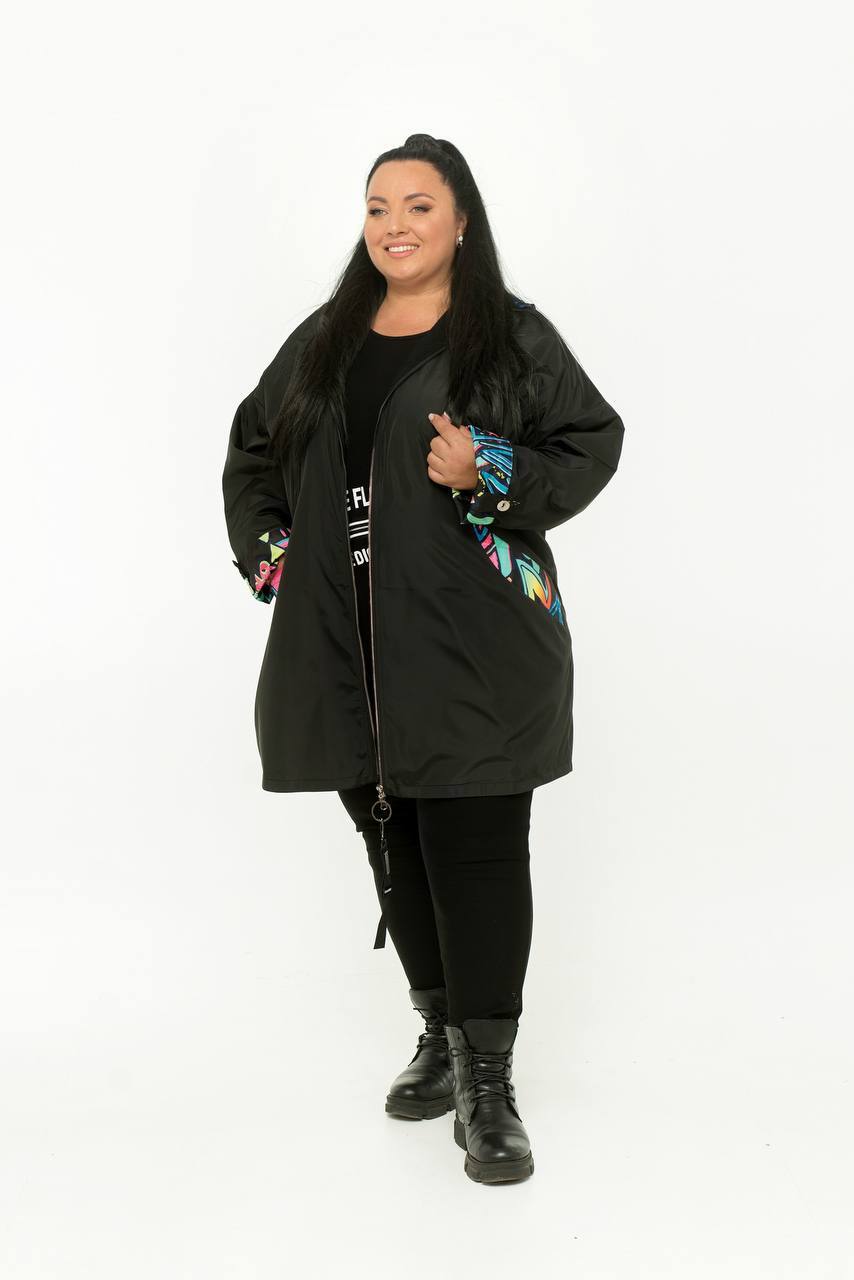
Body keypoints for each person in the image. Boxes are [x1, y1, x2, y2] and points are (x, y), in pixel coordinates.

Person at [221, 133, 625, 1185]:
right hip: (344, 648)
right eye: (376, 207)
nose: (393, 226)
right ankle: (442, 1032)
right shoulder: (325, 340)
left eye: (416, 206)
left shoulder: (508, 336)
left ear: (460, 222)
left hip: (473, 645)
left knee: (475, 846)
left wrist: (486, 463)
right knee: (391, 840)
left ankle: (487, 1080)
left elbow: (589, 439)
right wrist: (274, 557)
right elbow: (252, 449)